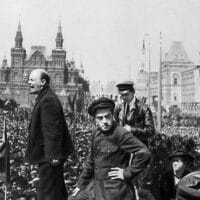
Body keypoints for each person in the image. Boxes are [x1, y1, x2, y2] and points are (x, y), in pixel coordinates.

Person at [70, 97, 151, 200]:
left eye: (107, 116)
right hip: (96, 187)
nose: (105, 121)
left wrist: (126, 173)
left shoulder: (119, 133)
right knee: (73, 198)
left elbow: (144, 153)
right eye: (100, 118)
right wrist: (81, 184)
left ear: (112, 116)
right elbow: (92, 160)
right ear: (95, 120)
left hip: (114, 189)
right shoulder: (96, 133)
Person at [25, 69, 74, 200]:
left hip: (49, 156)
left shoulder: (47, 100)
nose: (28, 82)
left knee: (47, 192)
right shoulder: (46, 97)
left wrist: (53, 156)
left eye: (32, 80)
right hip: (50, 155)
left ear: (43, 82)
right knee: (56, 190)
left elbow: (52, 130)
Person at [114, 81, 155, 146]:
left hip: (139, 146)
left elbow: (151, 131)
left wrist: (132, 130)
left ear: (133, 92)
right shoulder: (118, 108)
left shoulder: (144, 108)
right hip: (123, 146)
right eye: (122, 95)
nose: (124, 98)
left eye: (126, 94)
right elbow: (115, 124)